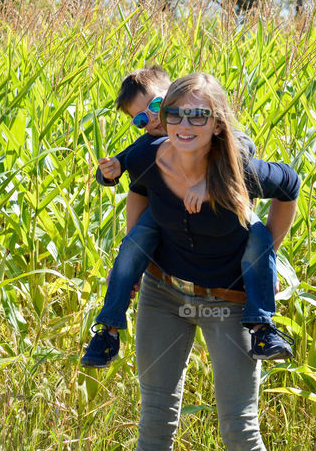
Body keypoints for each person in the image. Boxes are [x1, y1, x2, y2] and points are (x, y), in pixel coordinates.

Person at [120, 72, 300, 450]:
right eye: (175, 115)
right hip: (163, 294)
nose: (184, 125)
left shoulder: (242, 171)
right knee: (154, 421)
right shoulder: (151, 157)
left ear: (218, 124)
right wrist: (130, 262)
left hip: (229, 301)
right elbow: (137, 189)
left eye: (198, 116)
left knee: (239, 428)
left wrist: (268, 255)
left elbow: (290, 186)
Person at [81, 67, 292, 367]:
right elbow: (130, 178)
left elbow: (244, 147)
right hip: (165, 249)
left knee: (258, 240)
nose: (152, 120)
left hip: (231, 221)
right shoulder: (146, 148)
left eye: (156, 107)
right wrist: (108, 174)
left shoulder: (213, 136)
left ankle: (262, 327)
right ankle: (108, 329)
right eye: (140, 119)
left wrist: (211, 181)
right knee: (134, 244)